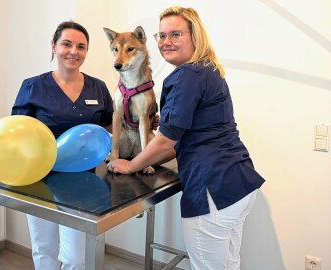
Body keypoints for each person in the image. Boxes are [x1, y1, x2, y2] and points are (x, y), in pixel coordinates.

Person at [107, 6, 265, 270]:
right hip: (239, 182)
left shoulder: (187, 76)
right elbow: (180, 138)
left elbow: (166, 141)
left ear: (195, 36)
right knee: (228, 264)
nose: (166, 42)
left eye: (176, 34)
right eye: (161, 35)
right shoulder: (208, 69)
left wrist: (131, 165)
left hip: (213, 187)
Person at [12, 21, 113, 270]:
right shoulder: (33, 86)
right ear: (54, 46)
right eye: (67, 44)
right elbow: (18, 132)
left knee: (77, 258)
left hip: (82, 183)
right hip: (39, 179)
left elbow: (109, 127)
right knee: (44, 248)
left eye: (81, 46)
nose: (73, 51)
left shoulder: (98, 87)